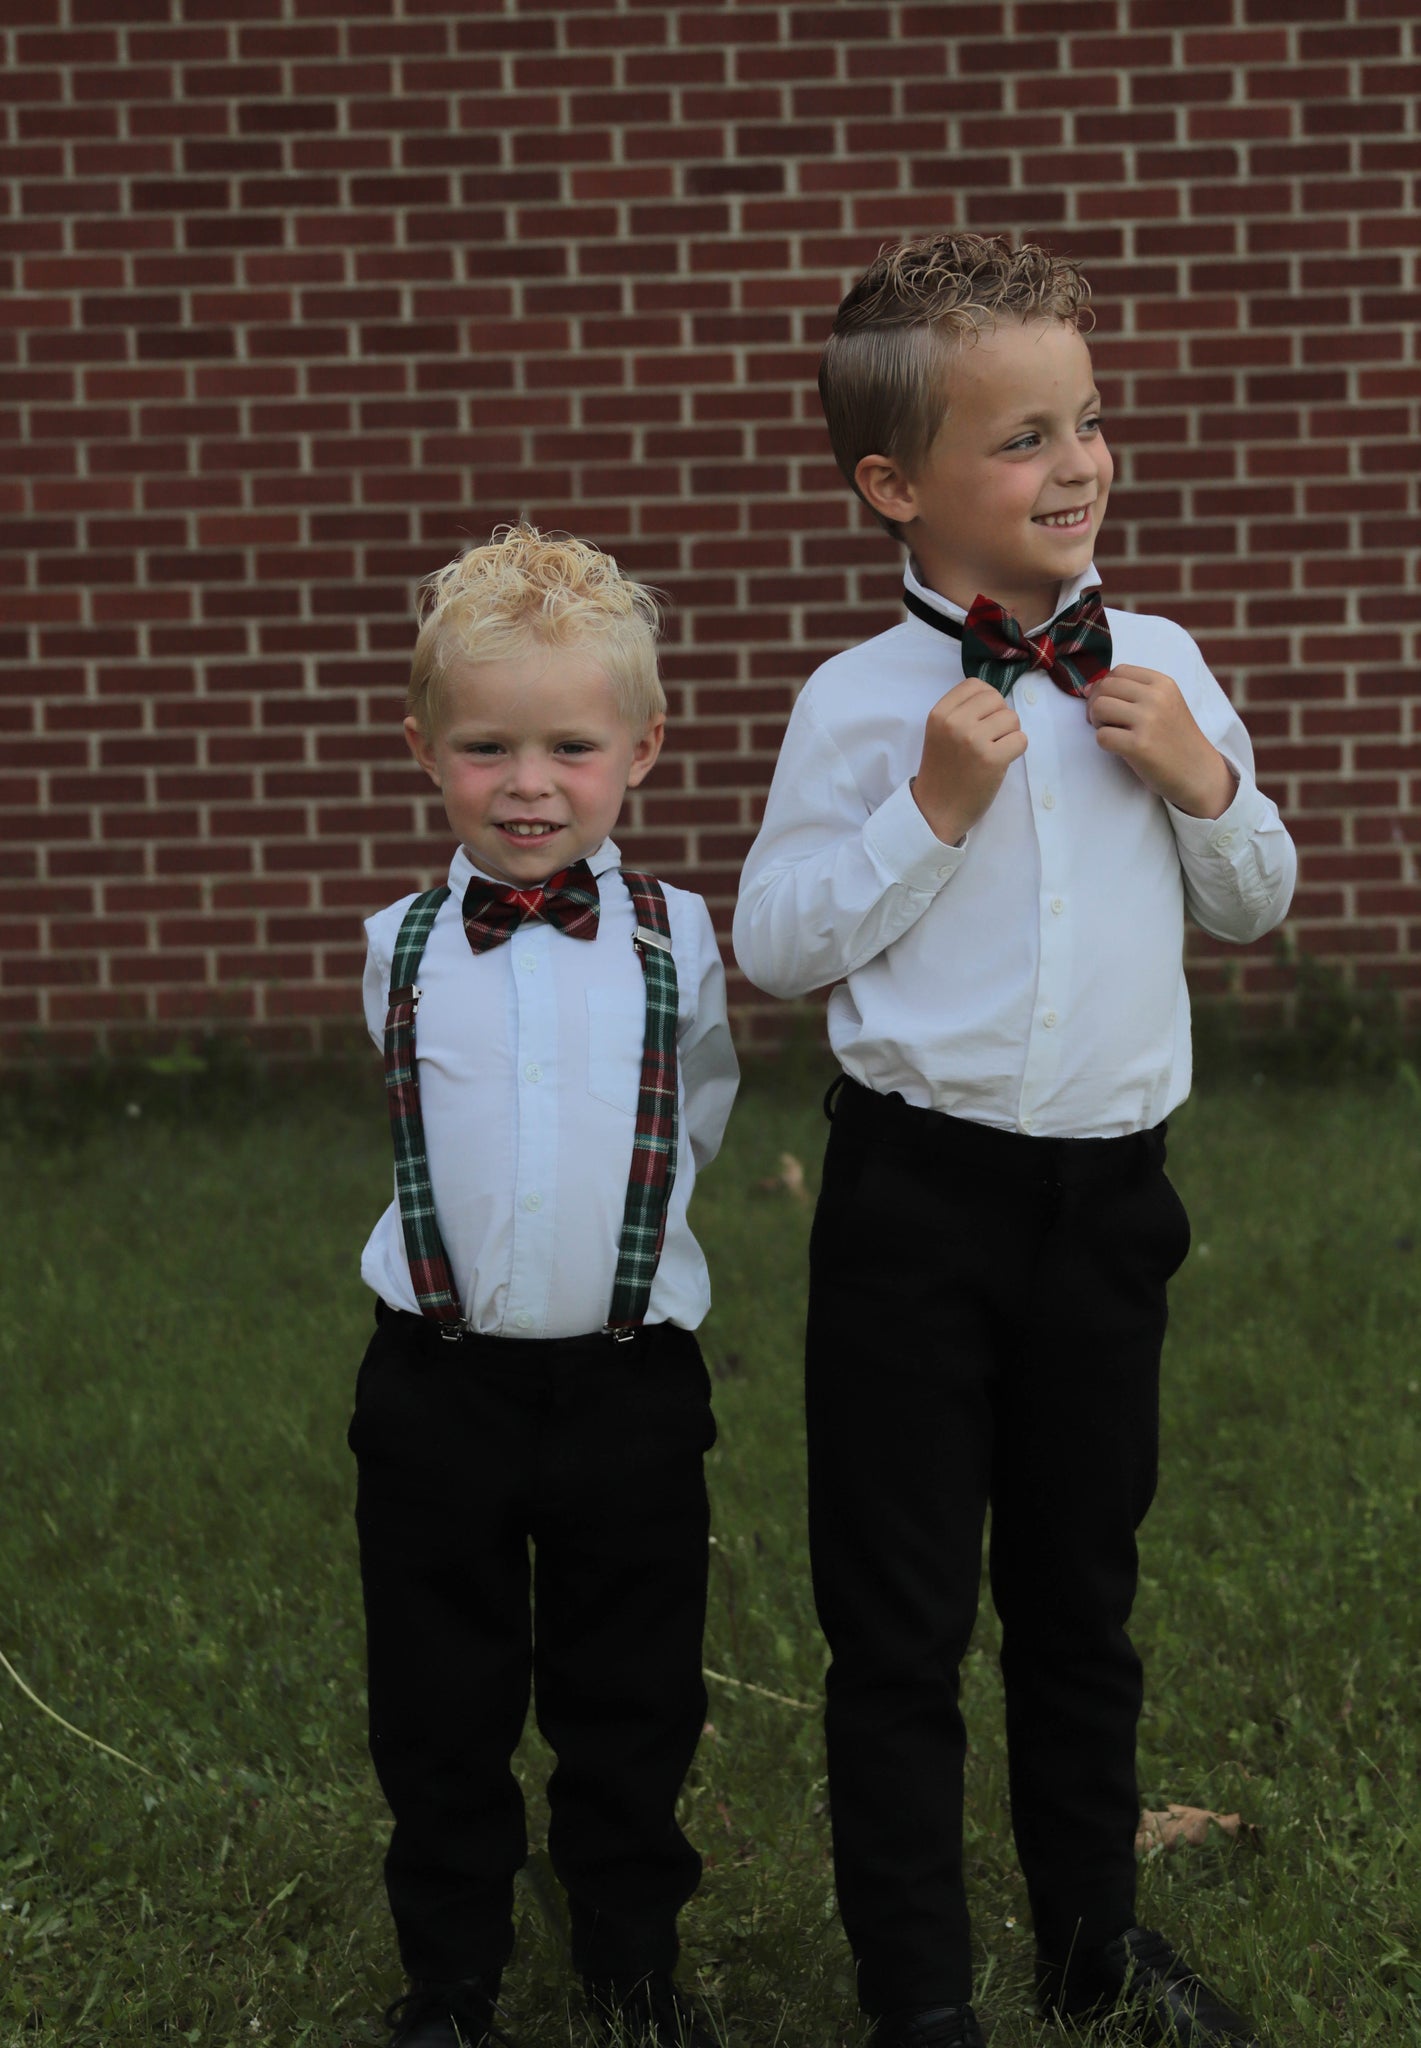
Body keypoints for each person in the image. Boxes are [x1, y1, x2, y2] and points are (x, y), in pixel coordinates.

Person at [733, 233, 1296, 2048]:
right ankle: (917, 1998)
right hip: (916, 1206)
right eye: (1023, 437)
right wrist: (929, 811)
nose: (1077, 465)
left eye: (1089, 422)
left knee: (1081, 1600)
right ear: (895, 485)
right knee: (897, 1633)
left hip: (1109, 1207)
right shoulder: (855, 708)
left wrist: (1202, 784)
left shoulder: (1171, 664)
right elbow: (775, 943)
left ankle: (1087, 1944)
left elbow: (1256, 903)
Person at [351, 525, 739, 2048]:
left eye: (570, 746)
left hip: (628, 1384)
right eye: (486, 746)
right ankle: (448, 1979)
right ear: (422, 748)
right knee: (436, 1699)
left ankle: (631, 1964)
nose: (528, 783)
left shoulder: (677, 938)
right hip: (433, 1383)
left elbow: (695, 1109)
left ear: (639, 748)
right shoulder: (396, 946)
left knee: (629, 1695)